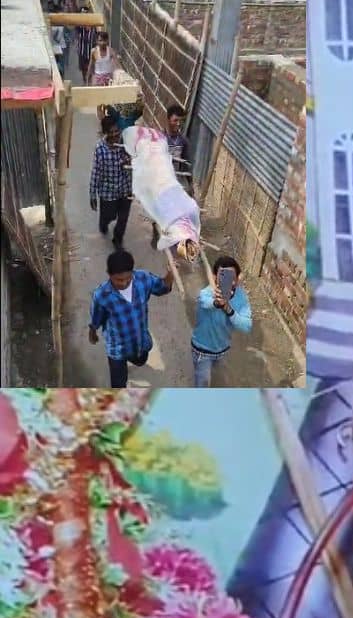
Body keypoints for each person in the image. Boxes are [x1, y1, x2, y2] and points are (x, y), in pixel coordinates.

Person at [89, 249, 174, 388]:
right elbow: (96, 317)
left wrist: (171, 274)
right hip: (117, 349)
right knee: (118, 384)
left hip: (140, 342)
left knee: (141, 360)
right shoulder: (101, 295)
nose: (124, 283)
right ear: (109, 274)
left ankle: (137, 359)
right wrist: (92, 332)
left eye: (128, 278)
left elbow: (162, 287)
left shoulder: (143, 278)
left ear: (133, 272)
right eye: (118, 280)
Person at [192, 256, 253, 387]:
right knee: (202, 386)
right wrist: (217, 303)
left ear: (237, 279)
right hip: (202, 352)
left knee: (220, 381)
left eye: (232, 277)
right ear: (215, 277)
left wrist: (229, 310)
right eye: (223, 275)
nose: (228, 281)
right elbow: (204, 302)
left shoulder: (241, 297)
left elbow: (247, 326)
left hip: (223, 351)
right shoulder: (206, 293)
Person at [90, 115, 132, 248]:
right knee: (110, 216)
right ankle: (103, 222)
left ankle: (117, 239)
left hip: (125, 188)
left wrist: (129, 161)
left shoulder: (125, 144)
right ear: (105, 133)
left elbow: (134, 159)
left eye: (117, 131)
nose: (115, 135)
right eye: (111, 132)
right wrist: (92, 194)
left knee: (123, 218)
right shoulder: (100, 149)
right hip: (108, 192)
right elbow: (96, 172)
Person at [165, 104, 191, 190]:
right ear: (168, 120)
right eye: (175, 120)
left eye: (181, 121)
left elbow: (186, 164)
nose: (179, 124)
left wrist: (190, 184)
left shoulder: (183, 141)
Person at [76, 6, 96, 85]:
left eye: (85, 14)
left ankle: (89, 84)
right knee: (84, 70)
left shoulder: (94, 27)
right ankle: (85, 83)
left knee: (91, 70)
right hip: (82, 53)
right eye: (82, 15)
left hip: (91, 54)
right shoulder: (80, 28)